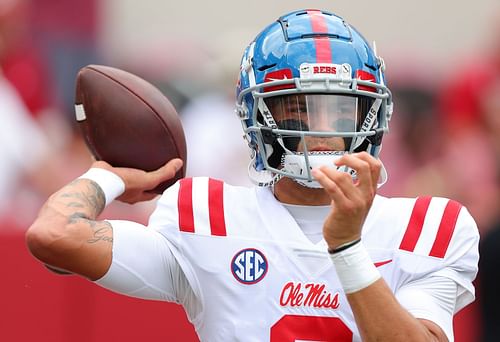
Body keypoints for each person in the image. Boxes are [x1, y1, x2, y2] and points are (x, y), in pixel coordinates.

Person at [26, 9, 479, 341]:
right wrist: (111, 176)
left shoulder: (431, 228)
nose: (322, 129)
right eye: (299, 108)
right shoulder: (206, 218)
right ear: (256, 115)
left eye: (339, 109)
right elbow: (54, 235)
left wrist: (346, 247)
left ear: (370, 115)